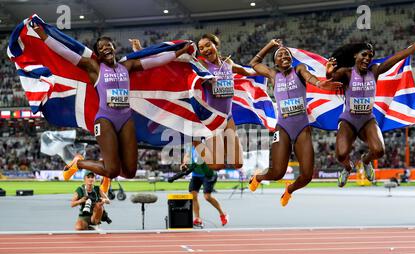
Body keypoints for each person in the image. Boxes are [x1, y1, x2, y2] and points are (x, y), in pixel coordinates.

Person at [30, 20, 192, 193]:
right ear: (98, 55)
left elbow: (156, 62)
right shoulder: (94, 67)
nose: (105, 48)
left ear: (114, 48)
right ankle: (79, 162)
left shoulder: (127, 66)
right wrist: (43, 36)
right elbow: (64, 52)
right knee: (112, 170)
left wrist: (178, 53)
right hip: (105, 120)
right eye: (101, 48)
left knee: (130, 172)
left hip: (126, 120)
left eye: (108, 45)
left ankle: (103, 166)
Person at [248, 39, 342, 206]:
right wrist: (270, 45)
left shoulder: (299, 70)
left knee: (306, 176)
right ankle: (258, 177)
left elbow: (309, 77)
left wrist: (320, 83)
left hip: (302, 128)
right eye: (280, 54)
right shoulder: (273, 75)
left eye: (287, 54)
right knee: (277, 173)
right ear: (275, 61)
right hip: (283, 127)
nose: (284, 55)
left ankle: (289, 189)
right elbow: (254, 63)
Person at [326, 41, 415, 187]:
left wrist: (411, 49)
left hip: (367, 120)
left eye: (370, 56)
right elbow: (330, 80)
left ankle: (365, 161)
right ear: (355, 56)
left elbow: (393, 59)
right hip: (349, 120)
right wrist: (328, 72)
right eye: (363, 54)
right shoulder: (346, 73)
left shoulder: (375, 70)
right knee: (340, 154)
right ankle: (347, 168)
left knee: (379, 151)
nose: (367, 58)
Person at [193, 33, 257, 171]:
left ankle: (211, 146)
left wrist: (269, 72)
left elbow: (247, 72)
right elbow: (186, 66)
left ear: (216, 45)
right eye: (201, 48)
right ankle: (195, 141)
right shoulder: (201, 64)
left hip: (228, 117)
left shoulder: (228, 63)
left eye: (208, 45)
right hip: (212, 118)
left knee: (238, 163)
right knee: (217, 165)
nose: (205, 50)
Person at [181, 145, 228, 227]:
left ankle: (222, 213)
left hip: (208, 174)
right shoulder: (190, 146)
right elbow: (187, 156)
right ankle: (197, 218)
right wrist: (184, 164)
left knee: (207, 197)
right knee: (193, 195)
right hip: (196, 175)